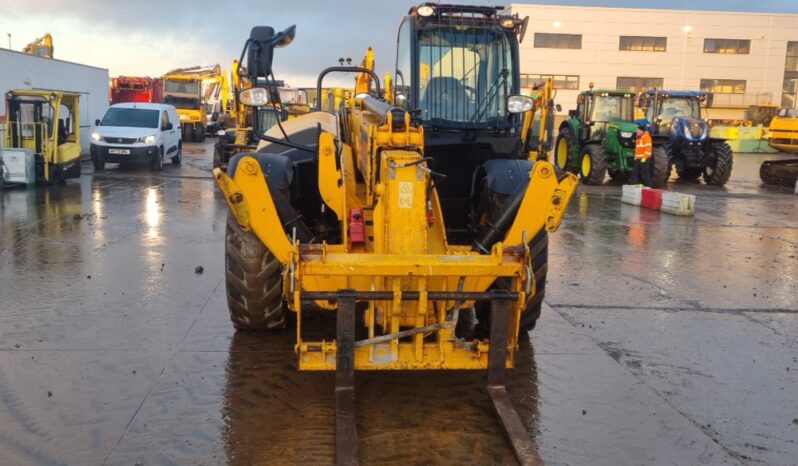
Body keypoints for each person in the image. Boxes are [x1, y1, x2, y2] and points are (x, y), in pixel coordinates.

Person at [630, 120, 652, 186]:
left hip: (644, 159)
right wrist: (636, 156)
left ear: (642, 131)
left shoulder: (646, 138)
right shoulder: (638, 138)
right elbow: (638, 149)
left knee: (645, 173)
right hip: (638, 158)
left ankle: (648, 186)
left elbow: (648, 149)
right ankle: (633, 185)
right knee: (635, 172)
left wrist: (644, 158)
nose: (637, 131)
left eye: (638, 130)